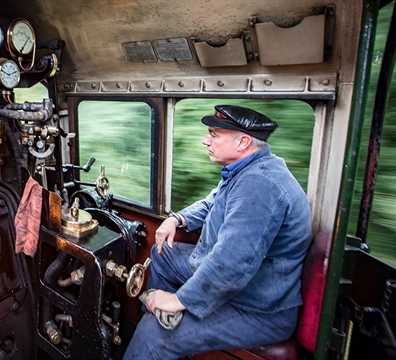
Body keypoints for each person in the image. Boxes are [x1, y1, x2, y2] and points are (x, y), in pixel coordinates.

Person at [124, 105, 313, 359]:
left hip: (257, 307)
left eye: (214, 134)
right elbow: (211, 203)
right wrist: (177, 219)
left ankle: (157, 334)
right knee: (162, 252)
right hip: (241, 282)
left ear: (243, 141)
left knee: (153, 332)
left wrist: (178, 300)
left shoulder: (260, 185)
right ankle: (162, 325)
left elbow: (231, 265)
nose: (205, 140)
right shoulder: (245, 169)